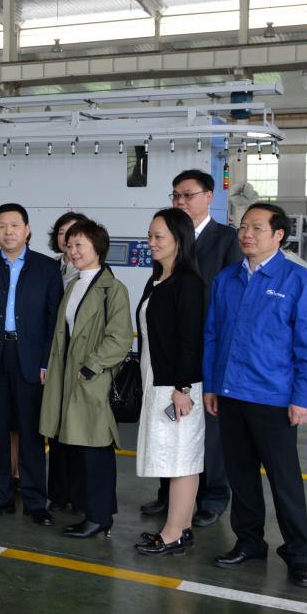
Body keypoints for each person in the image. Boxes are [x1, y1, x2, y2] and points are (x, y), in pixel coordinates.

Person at [204, 203, 307, 587]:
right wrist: (212, 385)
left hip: (274, 398)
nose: (246, 234)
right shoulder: (226, 279)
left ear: (278, 235)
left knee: (284, 481)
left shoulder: (297, 280)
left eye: (256, 227)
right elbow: (213, 336)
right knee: (241, 477)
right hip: (231, 394)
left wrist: (303, 396)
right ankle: (249, 542)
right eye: (243, 227)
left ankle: (298, 554)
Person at [143, 169, 243, 527]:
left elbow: (230, 295)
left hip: (207, 345)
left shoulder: (226, 239)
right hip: (172, 348)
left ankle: (213, 496)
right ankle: (170, 494)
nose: (180, 201)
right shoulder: (167, 240)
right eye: (175, 195)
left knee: (208, 430)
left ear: (208, 197)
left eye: (188, 195)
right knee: (170, 426)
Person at [0, 203, 61, 525]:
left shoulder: (46, 268)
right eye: (2, 226)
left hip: (32, 359)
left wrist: (47, 361)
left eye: (15, 225)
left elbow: (54, 322)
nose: (8, 232)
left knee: (32, 433)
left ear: (27, 229)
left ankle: (35, 502)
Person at [40, 218, 133, 538]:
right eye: (70, 245)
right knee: (77, 448)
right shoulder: (75, 285)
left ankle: (99, 516)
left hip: (91, 380)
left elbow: (120, 338)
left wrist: (91, 368)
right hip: (68, 378)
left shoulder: (113, 289)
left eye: (80, 245)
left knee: (96, 449)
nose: (73, 251)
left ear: (98, 247)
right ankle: (91, 511)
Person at [133, 208, 208, 556]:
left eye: (158, 236)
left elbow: (191, 340)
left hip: (177, 386)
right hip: (157, 380)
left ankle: (173, 532)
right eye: (149, 236)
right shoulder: (157, 280)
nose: (151, 242)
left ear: (179, 239)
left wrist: (183, 388)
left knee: (182, 459)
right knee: (175, 457)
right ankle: (183, 527)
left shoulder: (188, 283)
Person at [44, 210, 88, 513]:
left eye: (75, 235)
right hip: (51, 359)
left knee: (79, 431)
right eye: (63, 233)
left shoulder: (94, 275)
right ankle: (58, 493)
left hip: (79, 364)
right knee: (56, 429)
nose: (68, 240)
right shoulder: (48, 267)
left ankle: (79, 493)